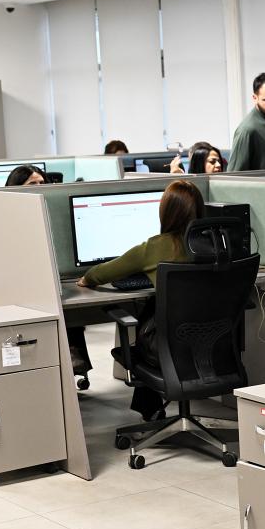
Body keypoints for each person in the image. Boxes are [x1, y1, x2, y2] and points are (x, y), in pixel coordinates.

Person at [77, 179, 205, 419]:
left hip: (167, 349)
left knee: (149, 316)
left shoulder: (156, 247)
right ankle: (151, 409)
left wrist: (87, 278)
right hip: (212, 345)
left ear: (166, 213)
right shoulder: (215, 242)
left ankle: (151, 410)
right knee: (154, 308)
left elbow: (100, 274)